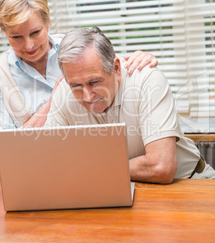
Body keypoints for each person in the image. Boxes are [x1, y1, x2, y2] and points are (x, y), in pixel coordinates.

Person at [0, 0, 158, 157]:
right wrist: (53, 104)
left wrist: (142, 59)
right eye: (16, 37)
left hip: (96, 159)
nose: (29, 45)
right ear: (4, 33)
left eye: (35, 33)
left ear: (47, 22)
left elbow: (112, 72)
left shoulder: (77, 49)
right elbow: (4, 152)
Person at [45, 27, 215, 183]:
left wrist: (90, 169)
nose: (88, 96)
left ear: (117, 69)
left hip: (190, 182)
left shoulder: (147, 81)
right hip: (120, 190)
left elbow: (161, 167)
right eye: (76, 86)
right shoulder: (63, 93)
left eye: (95, 82)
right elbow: (49, 162)